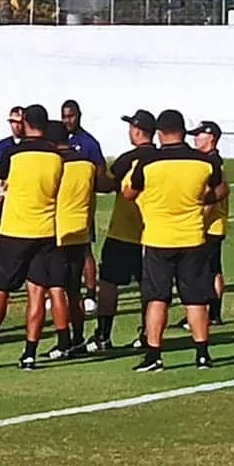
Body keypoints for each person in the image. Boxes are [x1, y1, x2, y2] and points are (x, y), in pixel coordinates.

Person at [121, 109, 228, 373]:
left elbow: (129, 193)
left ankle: (154, 355)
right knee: (195, 299)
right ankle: (203, 354)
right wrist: (202, 200)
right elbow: (222, 189)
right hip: (192, 236)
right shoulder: (203, 162)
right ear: (183, 131)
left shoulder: (148, 163)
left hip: (158, 238)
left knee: (157, 298)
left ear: (159, 132)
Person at [0, 105, 64, 372]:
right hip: (45, 231)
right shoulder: (57, 156)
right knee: (37, 293)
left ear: (26, 123)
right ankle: (29, 353)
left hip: (15, 230)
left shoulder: (14, 152)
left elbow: (2, 175)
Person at [90, 110, 157, 353]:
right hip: (152, 234)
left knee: (108, 284)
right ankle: (148, 333)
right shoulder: (159, 157)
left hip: (122, 232)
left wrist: (95, 173)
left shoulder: (129, 159)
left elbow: (107, 185)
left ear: (138, 131)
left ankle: (103, 336)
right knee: (148, 287)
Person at [48, 119, 101, 357]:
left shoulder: (55, 165)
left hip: (58, 231)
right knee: (74, 290)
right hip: (80, 231)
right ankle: (78, 337)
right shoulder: (87, 165)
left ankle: (63, 341)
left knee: (56, 289)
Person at [60, 98, 105, 310]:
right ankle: (62, 289)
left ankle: (90, 292)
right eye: (64, 116)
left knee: (85, 248)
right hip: (62, 206)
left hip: (82, 204)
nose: (67, 120)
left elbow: (100, 172)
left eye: (71, 116)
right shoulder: (58, 139)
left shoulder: (89, 143)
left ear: (79, 116)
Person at [191, 119, 229, 323]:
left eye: (199, 135)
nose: (196, 139)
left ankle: (211, 313)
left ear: (211, 138)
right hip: (213, 223)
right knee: (211, 268)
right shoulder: (211, 160)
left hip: (211, 224)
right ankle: (210, 312)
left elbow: (214, 196)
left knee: (209, 269)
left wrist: (199, 220)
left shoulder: (213, 162)